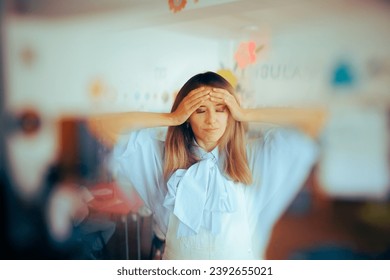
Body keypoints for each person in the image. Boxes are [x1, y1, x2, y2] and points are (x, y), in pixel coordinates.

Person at [89, 71, 327, 259]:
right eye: (199, 110)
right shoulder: (162, 157)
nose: (212, 119)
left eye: (221, 110)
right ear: (187, 118)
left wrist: (244, 113)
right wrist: (171, 118)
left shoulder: (252, 156)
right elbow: (102, 124)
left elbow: (314, 119)